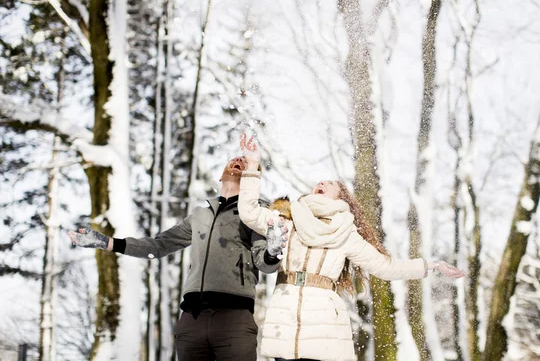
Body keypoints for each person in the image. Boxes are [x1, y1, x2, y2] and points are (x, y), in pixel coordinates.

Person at [237, 134, 464, 361]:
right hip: (285, 320)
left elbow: (386, 267)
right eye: (319, 182)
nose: (321, 183)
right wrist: (253, 166)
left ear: (341, 196)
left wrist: (430, 265)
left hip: (323, 326)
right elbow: (249, 212)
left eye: (330, 183)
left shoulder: (346, 233)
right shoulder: (289, 219)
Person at [68, 156, 288, 361]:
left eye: (247, 163)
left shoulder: (257, 215)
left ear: (253, 180)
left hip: (233, 319)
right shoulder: (200, 215)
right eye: (234, 158)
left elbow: (265, 263)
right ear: (221, 176)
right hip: (192, 320)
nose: (239, 159)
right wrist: (108, 243)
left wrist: (273, 249)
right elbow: (159, 245)